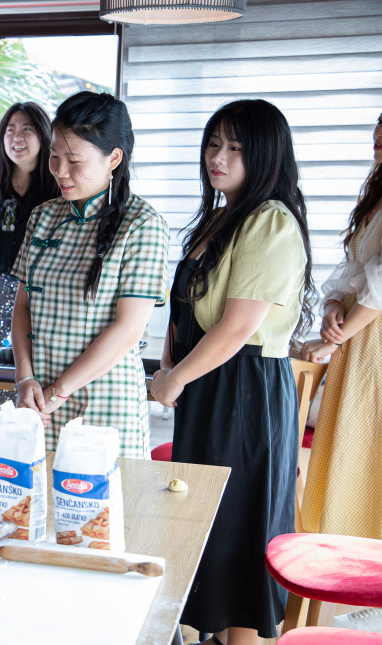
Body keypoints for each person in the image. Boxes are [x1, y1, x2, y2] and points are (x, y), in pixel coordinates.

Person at [150, 99, 316, 645]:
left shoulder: (270, 220)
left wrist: (175, 378)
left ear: (265, 155)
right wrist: (171, 364)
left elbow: (237, 326)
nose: (218, 157)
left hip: (243, 390)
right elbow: (186, 309)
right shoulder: (225, 213)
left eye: (235, 148)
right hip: (209, 382)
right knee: (205, 528)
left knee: (238, 533)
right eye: (214, 144)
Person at [12, 91, 168, 458]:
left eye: (74, 160)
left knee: (103, 513)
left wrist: (57, 392)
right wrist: (24, 379)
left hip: (104, 406)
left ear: (113, 158)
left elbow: (128, 329)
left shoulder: (142, 224)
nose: (60, 171)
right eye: (54, 156)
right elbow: (22, 307)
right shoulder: (43, 216)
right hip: (37, 405)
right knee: (34, 509)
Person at [300, 111, 382, 539]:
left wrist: (340, 333)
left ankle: (368, 580)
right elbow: (354, 269)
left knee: (367, 451)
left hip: (373, 340)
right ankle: (346, 564)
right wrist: (333, 305)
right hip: (358, 334)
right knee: (349, 447)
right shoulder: (377, 195)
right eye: (377, 136)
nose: (377, 142)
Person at [0, 102, 59, 416]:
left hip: (39, 300)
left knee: (32, 383)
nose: (17, 137)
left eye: (27, 129)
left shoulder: (57, 190)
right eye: (10, 130)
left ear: (44, 136)